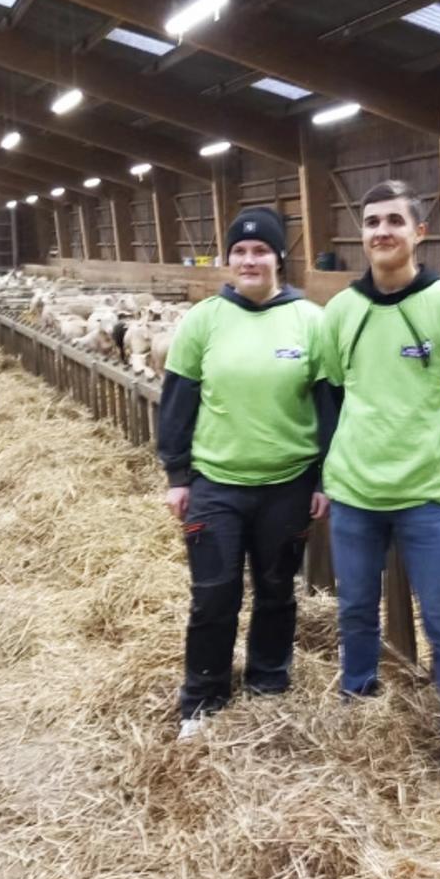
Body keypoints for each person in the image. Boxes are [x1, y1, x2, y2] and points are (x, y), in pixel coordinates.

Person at [321, 180, 440, 817]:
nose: (381, 231)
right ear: (360, 234)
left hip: (426, 494)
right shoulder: (343, 311)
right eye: (371, 221)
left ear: (420, 233)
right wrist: (354, 452)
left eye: (394, 220)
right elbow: (333, 393)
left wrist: (430, 445)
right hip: (356, 493)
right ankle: (358, 711)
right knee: (356, 610)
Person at [157, 206, 332, 740]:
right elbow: (177, 402)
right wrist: (177, 475)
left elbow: (329, 405)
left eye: (260, 251)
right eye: (239, 252)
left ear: (279, 256)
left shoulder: (311, 320)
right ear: (228, 260)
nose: (249, 259)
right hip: (216, 484)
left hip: (288, 483)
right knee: (214, 593)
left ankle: (268, 684)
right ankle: (202, 697)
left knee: (277, 589)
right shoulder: (204, 319)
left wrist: (325, 478)